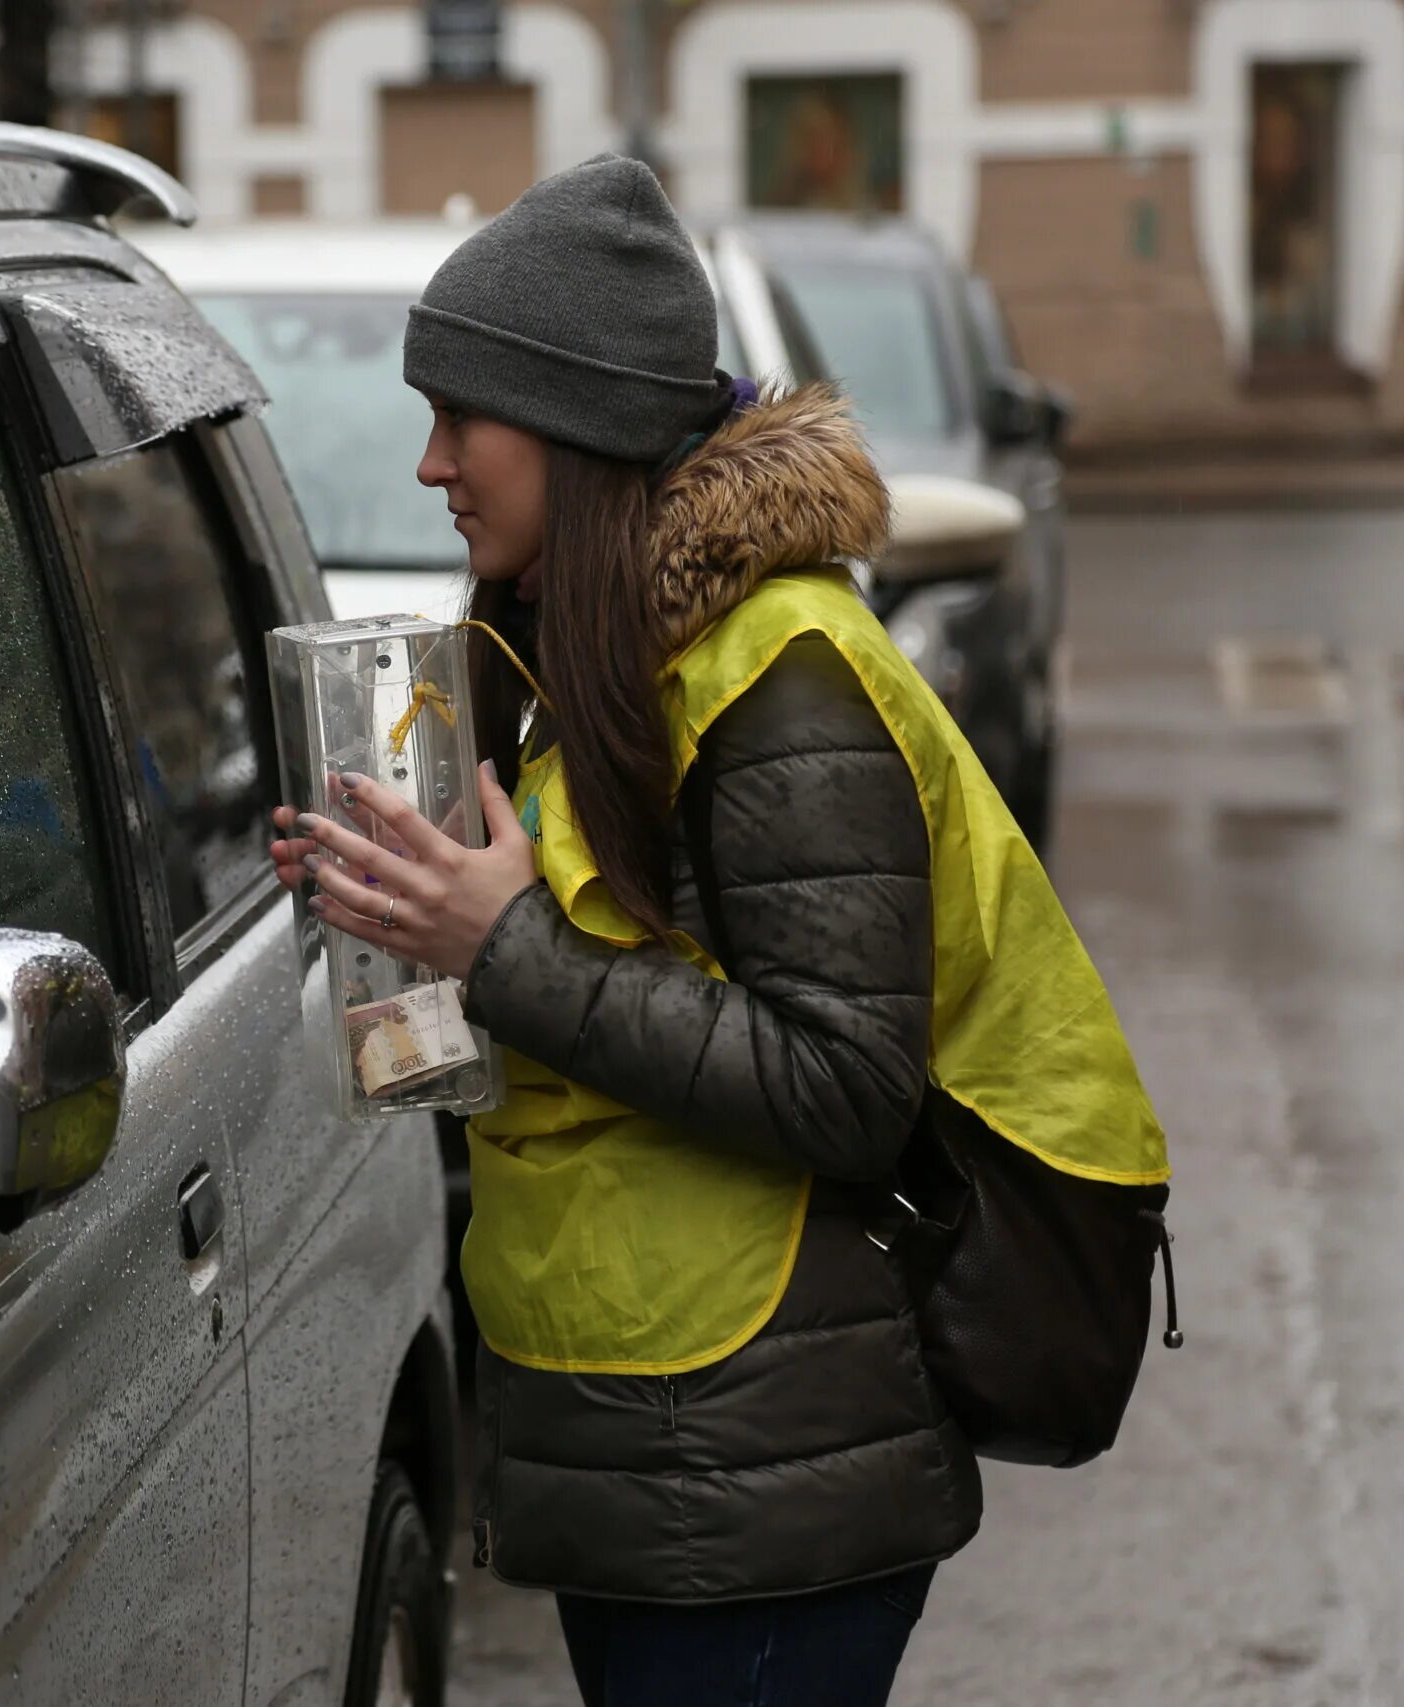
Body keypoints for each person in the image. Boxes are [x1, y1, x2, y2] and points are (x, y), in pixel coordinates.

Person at [267, 155, 1163, 1707]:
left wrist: (504, 948)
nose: (429, 466)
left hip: (765, 1466)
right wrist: (401, 907)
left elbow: (845, 1082)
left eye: (459, 418)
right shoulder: (564, 653)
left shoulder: (778, 674)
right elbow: (587, 991)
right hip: (649, 1440)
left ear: (579, 425)